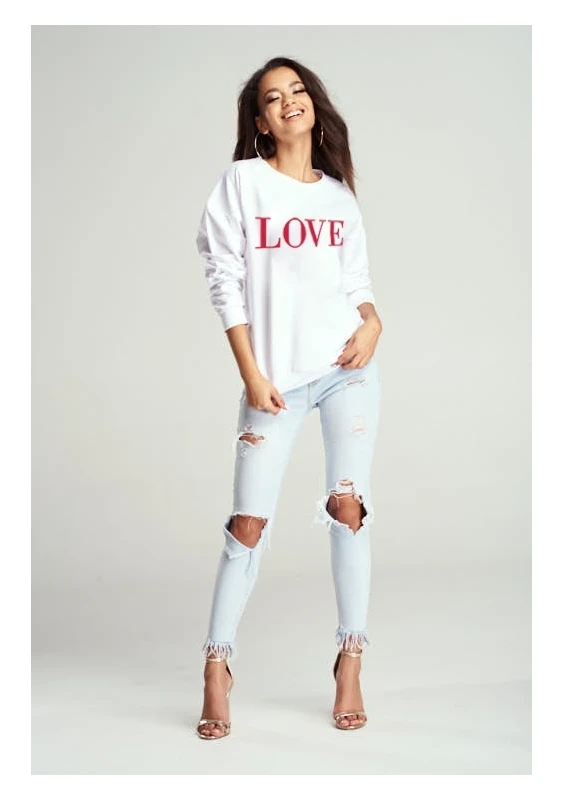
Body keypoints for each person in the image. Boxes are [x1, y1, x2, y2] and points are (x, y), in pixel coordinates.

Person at [195, 56, 383, 739]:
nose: (288, 102)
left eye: (297, 90)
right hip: (273, 380)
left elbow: (356, 284)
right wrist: (251, 373)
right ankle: (217, 666)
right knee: (247, 524)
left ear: (313, 105)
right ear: (261, 121)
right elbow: (224, 279)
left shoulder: (338, 197)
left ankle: (351, 659)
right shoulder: (243, 183)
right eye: (273, 98)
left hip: (346, 372)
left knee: (349, 508)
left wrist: (375, 323)